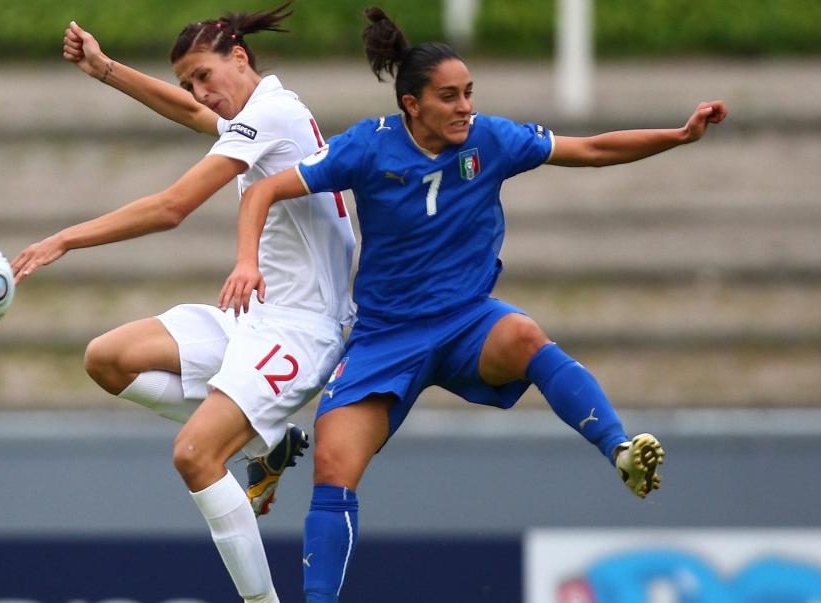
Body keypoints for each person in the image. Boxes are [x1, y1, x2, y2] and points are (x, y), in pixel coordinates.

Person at [218, 7, 728, 602]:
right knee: (332, 462)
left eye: (469, 94)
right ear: (412, 104)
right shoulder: (367, 147)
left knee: (525, 337)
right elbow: (265, 190)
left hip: (466, 321)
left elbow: (588, 148)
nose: (465, 107)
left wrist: (679, 135)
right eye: (449, 97)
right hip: (385, 337)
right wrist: (247, 260)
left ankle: (618, 449)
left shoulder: (491, 138)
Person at [11, 4, 357, 602]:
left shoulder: (272, 114)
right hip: (258, 314)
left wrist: (64, 238)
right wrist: (106, 69)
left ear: (240, 57)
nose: (200, 93)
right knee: (108, 358)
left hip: (304, 330)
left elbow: (174, 207)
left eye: (204, 75)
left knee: (195, 454)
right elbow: (197, 114)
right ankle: (264, 441)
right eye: (188, 82)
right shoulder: (258, 111)